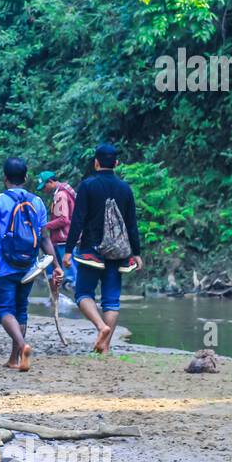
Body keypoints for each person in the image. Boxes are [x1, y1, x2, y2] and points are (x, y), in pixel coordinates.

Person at [0, 158, 63, 371]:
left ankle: (22, 347)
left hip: (4, 265)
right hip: (29, 266)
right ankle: (14, 359)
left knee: (4, 310)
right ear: (26, 178)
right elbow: (45, 238)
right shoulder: (37, 201)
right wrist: (55, 265)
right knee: (21, 310)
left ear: (5, 179)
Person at [63, 143, 143, 355]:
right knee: (111, 300)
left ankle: (101, 327)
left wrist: (69, 250)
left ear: (96, 162)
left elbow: (77, 220)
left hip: (92, 251)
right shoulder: (125, 189)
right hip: (118, 254)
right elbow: (131, 224)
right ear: (116, 163)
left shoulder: (88, 186)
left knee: (83, 294)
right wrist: (137, 253)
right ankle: (105, 348)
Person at [36, 170, 77, 288]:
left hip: (64, 238)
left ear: (51, 182)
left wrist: (44, 226)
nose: (44, 190)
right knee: (66, 273)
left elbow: (63, 219)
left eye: (44, 186)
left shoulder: (60, 195)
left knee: (71, 278)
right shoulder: (65, 192)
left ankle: (78, 303)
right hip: (67, 237)